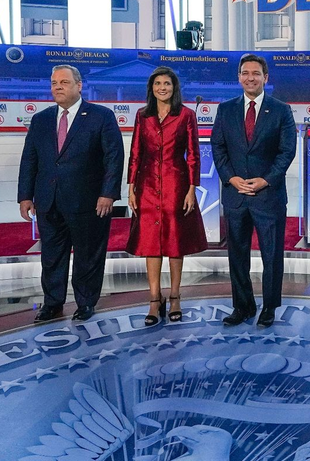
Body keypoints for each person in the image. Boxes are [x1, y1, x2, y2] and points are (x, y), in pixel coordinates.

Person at [18, 65, 124, 323]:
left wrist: (108, 193)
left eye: (64, 82)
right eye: (54, 82)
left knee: (88, 255)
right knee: (51, 255)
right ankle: (52, 303)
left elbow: (114, 157)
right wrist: (25, 195)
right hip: (48, 200)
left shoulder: (100, 116)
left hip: (89, 202)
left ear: (79, 86)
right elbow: (29, 159)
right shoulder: (41, 119)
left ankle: (86, 302)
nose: (57, 87)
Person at [210, 54, 298, 327]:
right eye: (245, 73)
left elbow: (287, 152)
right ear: (238, 77)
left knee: (271, 255)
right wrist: (231, 178)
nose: (250, 77)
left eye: (256, 73)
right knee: (237, 255)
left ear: (266, 78)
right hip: (236, 195)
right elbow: (218, 148)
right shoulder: (225, 110)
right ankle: (243, 306)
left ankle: (269, 307)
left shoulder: (281, 110)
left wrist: (266, 180)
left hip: (268, 195)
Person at [126, 67, 208, 325]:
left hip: (176, 183)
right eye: (158, 83)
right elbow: (136, 152)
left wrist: (191, 189)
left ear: (175, 88)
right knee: (150, 242)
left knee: (175, 242)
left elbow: (193, 155)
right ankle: (153, 299)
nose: (163, 88)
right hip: (147, 184)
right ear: (151, 88)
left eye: (167, 84)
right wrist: (131, 187)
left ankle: (174, 296)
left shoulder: (186, 115)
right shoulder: (142, 115)